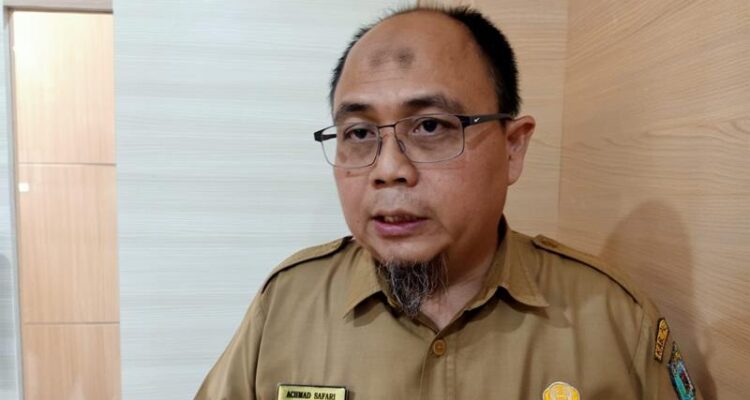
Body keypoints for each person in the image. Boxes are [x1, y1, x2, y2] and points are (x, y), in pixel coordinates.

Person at [196, 6, 700, 400]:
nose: (387, 168)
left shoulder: (615, 321)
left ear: (512, 148)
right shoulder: (284, 305)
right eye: (359, 133)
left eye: (431, 125)